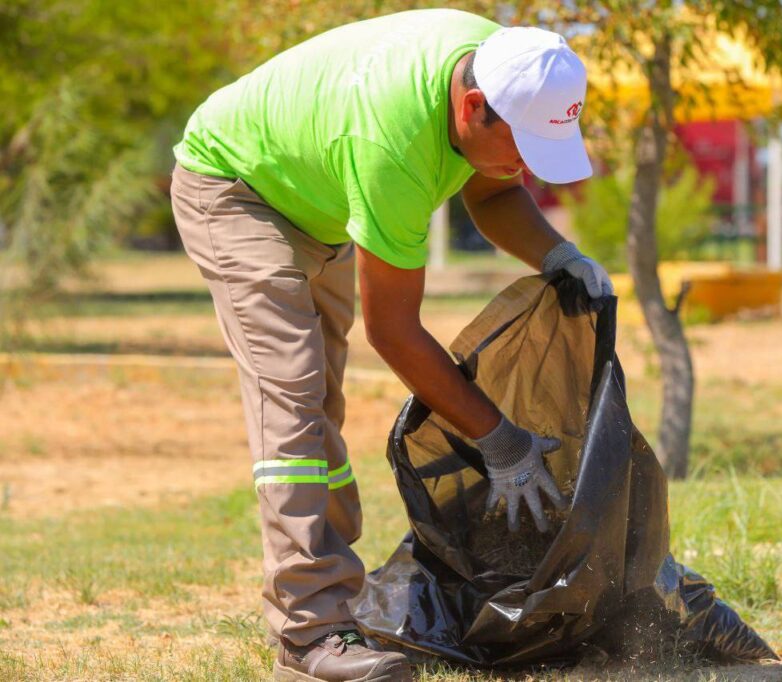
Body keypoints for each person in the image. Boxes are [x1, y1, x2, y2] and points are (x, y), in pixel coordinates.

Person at [169, 8, 612, 682]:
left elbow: (494, 195)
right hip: (234, 191)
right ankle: (308, 637)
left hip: (316, 204)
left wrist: (556, 254)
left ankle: (335, 602)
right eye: (521, 147)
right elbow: (394, 332)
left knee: (322, 406)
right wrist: (500, 441)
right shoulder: (391, 144)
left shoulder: (505, 65)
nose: (526, 167)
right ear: (471, 109)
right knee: (291, 401)